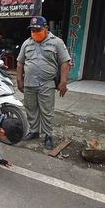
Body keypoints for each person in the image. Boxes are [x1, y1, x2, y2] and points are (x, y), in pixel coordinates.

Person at [16, 16, 72, 150]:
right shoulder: (27, 43)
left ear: (46, 27)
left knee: (47, 111)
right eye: (32, 30)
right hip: (29, 83)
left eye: (38, 29)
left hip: (47, 83)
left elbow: (64, 62)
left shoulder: (57, 42)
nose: (35, 32)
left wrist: (63, 82)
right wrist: (19, 80)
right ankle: (34, 131)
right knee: (31, 108)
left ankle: (48, 135)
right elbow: (20, 62)